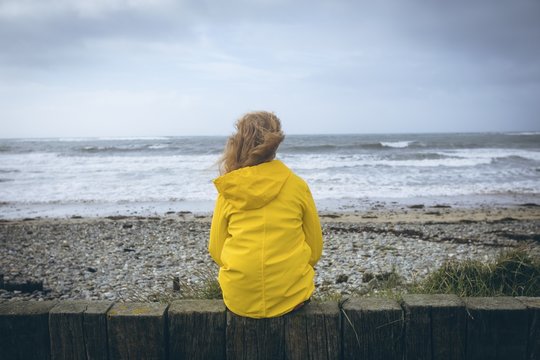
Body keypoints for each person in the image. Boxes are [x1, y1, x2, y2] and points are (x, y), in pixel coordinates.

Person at [208, 111, 323, 318]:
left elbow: (216, 249)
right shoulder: (297, 185)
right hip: (292, 296)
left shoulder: (229, 188)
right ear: (275, 143)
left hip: (239, 298)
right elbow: (315, 249)